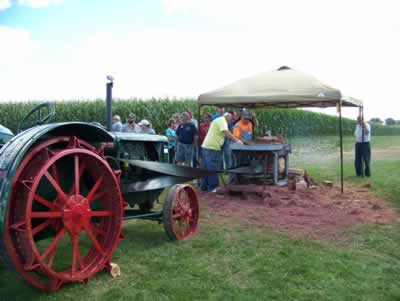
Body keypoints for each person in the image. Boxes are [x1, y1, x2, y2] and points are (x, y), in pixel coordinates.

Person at [201, 112, 243, 192]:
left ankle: (204, 188)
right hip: (212, 148)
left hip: (206, 147)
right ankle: (213, 188)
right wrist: (237, 140)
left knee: (206, 169)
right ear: (227, 116)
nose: (231, 121)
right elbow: (226, 132)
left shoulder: (218, 120)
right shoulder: (222, 120)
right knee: (213, 169)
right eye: (231, 119)